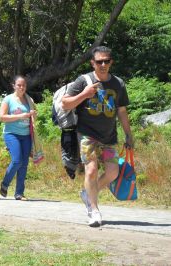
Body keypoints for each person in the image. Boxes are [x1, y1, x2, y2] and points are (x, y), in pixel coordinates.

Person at [62, 46, 134, 227]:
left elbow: (122, 111)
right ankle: (94, 210)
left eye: (106, 61)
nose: (103, 64)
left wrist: (128, 134)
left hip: (109, 136)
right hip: (87, 134)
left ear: (111, 62)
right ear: (93, 63)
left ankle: (88, 193)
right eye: (99, 61)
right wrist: (85, 94)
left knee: (112, 172)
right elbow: (65, 104)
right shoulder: (83, 80)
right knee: (91, 170)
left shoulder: (118, 84)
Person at [0, 75, 36, 201]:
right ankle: (5, 183)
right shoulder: (8, 99)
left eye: (23, 85)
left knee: (24, 164)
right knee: (17, 161)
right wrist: (21, 116)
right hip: (11, 134)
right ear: (13, 85)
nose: (21, 87)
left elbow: (33, 115)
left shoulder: (29, 99)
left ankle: (19, 193)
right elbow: (2, 117)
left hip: (26, 135)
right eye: (19, 85)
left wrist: (33, 115)